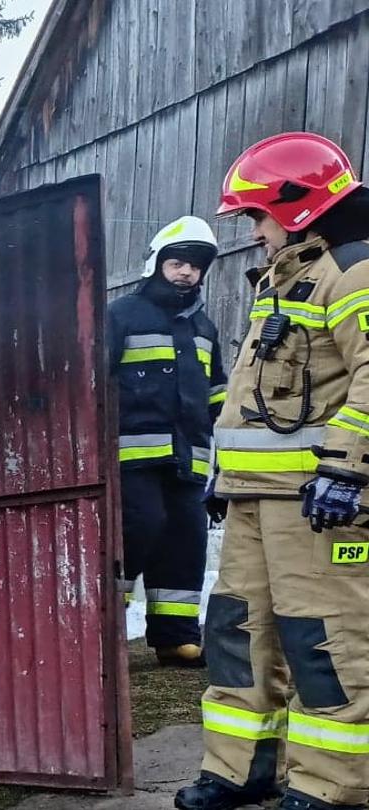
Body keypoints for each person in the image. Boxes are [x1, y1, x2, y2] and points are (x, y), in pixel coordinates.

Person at [175, 132, 369, 810]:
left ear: (298, 205)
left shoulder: (355, 270)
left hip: (322, 501)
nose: (253, 233)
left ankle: (329, 787)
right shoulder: (283, 277)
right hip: (258, 497)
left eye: (256, 217)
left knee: (322, 643)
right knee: (236, 632)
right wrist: (222, 470)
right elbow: (252, 394)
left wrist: (348, 468)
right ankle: (241, 769)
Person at [107, 215, 227, 667]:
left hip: (189, 458)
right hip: (133, 457)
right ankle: (106, 626)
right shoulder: (122, 314)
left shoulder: (204, 327)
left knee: (185, 538)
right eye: (177, 263)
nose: (186, 273)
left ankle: (175, 637)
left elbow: (218, 393)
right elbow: (93, 380)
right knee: (139, 528)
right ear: (156, 263)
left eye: (194, 267)